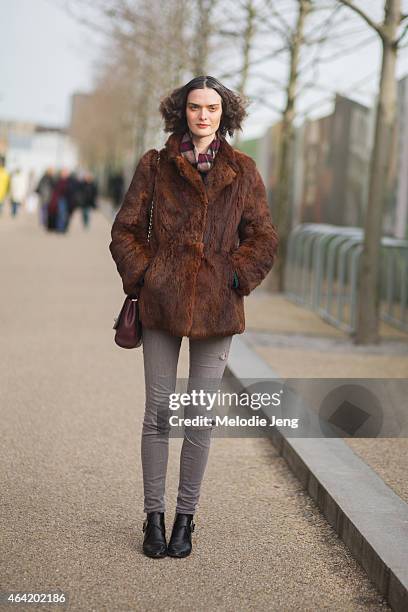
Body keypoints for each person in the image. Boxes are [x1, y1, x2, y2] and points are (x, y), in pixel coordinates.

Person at [109, 75, 279, 559]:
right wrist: (146, 276)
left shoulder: (243, 170)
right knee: (159, 415)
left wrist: (234, 275)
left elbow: (263, 237)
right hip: (161, 304)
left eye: (212, 108)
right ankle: (153, 519)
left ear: (225, 114)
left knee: (199, 416)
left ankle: (186, 519)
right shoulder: (155, 164)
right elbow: (125, 229)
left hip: (218, 308)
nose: (203, 116)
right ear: (180, 112)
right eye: (194, 107)